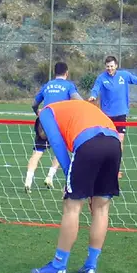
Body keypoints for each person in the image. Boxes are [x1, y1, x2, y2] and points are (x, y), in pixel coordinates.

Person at [30, 100, 122, 273]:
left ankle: (58, 265)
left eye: (43, 135)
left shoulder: (46, 113)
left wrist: (68, 177)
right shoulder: (73, 107)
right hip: (113, 143)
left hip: (89, 143)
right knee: (101, 208)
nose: (45, 138)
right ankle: (91, 266)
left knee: (72, 207)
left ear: (39, 123)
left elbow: (57, 144)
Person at [88, 55, 137, 177]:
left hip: (120, 114)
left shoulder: (124, 75)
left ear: (116, 66)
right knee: (106, 142)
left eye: (112, 66)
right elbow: (96, 88)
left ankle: (116, 169)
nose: (110, 68)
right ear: (105, 66)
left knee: (119, 142)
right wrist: (93, 96)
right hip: (106, 115)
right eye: (107, 66)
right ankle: (104, 167)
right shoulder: (101, 78)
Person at [25, 62, 83, 192]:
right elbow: (78, 101)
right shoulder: (69, 85)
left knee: (37, 152)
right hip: (58, 122)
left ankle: (28, 181)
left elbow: (34, 104)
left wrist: (37, 112)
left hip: (43, 122)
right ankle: (50, 177)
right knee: (61, 150)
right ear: (67, 73)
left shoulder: (47, 85)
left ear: (54, 73)